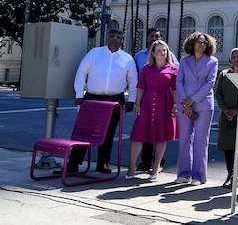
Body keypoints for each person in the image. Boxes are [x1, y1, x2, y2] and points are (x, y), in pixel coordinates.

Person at [59, 29, 137, 174]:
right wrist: (79, 93)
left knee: (108, 132)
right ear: (107, 38)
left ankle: (103, 163)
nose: (115, 39)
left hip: (114, 100)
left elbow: (133, 80)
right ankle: (73, 164)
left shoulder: (127, 59)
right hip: (92, 97)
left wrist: (131, 99)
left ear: (122, 41)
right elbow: (81, 71)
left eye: (118, 37)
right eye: (112, 36)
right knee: (84, 131)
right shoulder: (94, 53)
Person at [125, 40, 178, 180]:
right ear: (153, 53)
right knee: (138, 135)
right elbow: (141, 86)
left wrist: (175, 105)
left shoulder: (173, 68)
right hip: (147, 103)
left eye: (164, 50)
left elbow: (175, 89)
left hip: (165, 103)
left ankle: (155, 168)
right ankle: (131, 167)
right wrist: (137, 104)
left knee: (161, 137)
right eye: (159, 50)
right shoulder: (146, 68)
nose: (162, 52)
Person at [175, 31, 218, 185]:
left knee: (200, 140)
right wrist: (184, 102)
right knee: (184, 139)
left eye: (204, 42)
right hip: (184, 103)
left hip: (203, 104)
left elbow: (210, 83)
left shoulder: (212, 61)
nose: (201, 44)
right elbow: (179, 81)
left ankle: (198, 175)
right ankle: (184, 174)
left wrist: (191, 101)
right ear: (192, 43)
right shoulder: (184, 61)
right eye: (199, 41)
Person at [215, 48, 238, 188]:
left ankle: (237, 175)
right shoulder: (224, 74)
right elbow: (218, 93)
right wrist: (225, 110)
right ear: (230, 60)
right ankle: (230, 174)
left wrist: (236, 110)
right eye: (233, 56)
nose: (236, 58)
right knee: (228, 146)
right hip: (226, 116)